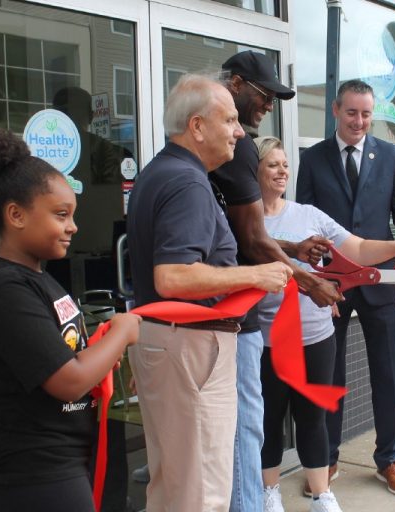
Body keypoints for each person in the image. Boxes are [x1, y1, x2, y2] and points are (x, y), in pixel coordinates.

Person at [126, 74, 293, 512]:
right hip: (191, 351)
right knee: (203, 492)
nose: (240, 132)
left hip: (170, 344)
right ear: (197, 127)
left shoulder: (161, 172)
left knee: (175, 486)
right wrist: (253, 277)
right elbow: (174, 276)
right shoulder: (187, 182)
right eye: (231, 120)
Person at [0, 128, 141, 512]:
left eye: (72, 215)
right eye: (61, 215)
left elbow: (68, 354)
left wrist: (101, 351)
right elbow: (69, 380)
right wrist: (123, 333)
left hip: (61, 455)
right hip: (29, 467)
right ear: (16, 214)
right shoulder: (3, 290)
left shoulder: (41, 280)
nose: (73, 227)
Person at [296, 79, 395, 497]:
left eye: (366, 114)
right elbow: (304, 222)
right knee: (330, 372)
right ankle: (326, 459)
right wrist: (310, 279)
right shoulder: (312, 159)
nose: (360, 121)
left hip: (379, 279)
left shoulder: (391, 155)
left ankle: (389, 460)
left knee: (388, 373)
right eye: (352, 113)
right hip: (332, 285)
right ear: (335, 111)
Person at [255, 137, 395, 512]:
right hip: (268, 340)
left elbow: (358, 248)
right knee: (270, 419)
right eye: (272, 165)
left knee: (314, 418)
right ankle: (269, 492)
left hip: (316, 335)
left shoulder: (309, 214)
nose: (282, 171)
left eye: (285, 165)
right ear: (256, 171)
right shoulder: (248, 224)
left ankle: (321, 494)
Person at [212, 51, 342, 511]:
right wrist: (313, 283)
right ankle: (261, 497)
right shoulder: (234, 148)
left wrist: (292, 251)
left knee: (284, 418)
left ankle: (317, 491)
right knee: (254, 422)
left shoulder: (234, 146)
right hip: (235, 322)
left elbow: (255, 238)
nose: (268, 105)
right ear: (236, 83)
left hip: (243, 320)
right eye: (264, 95)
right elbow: (251, 238)